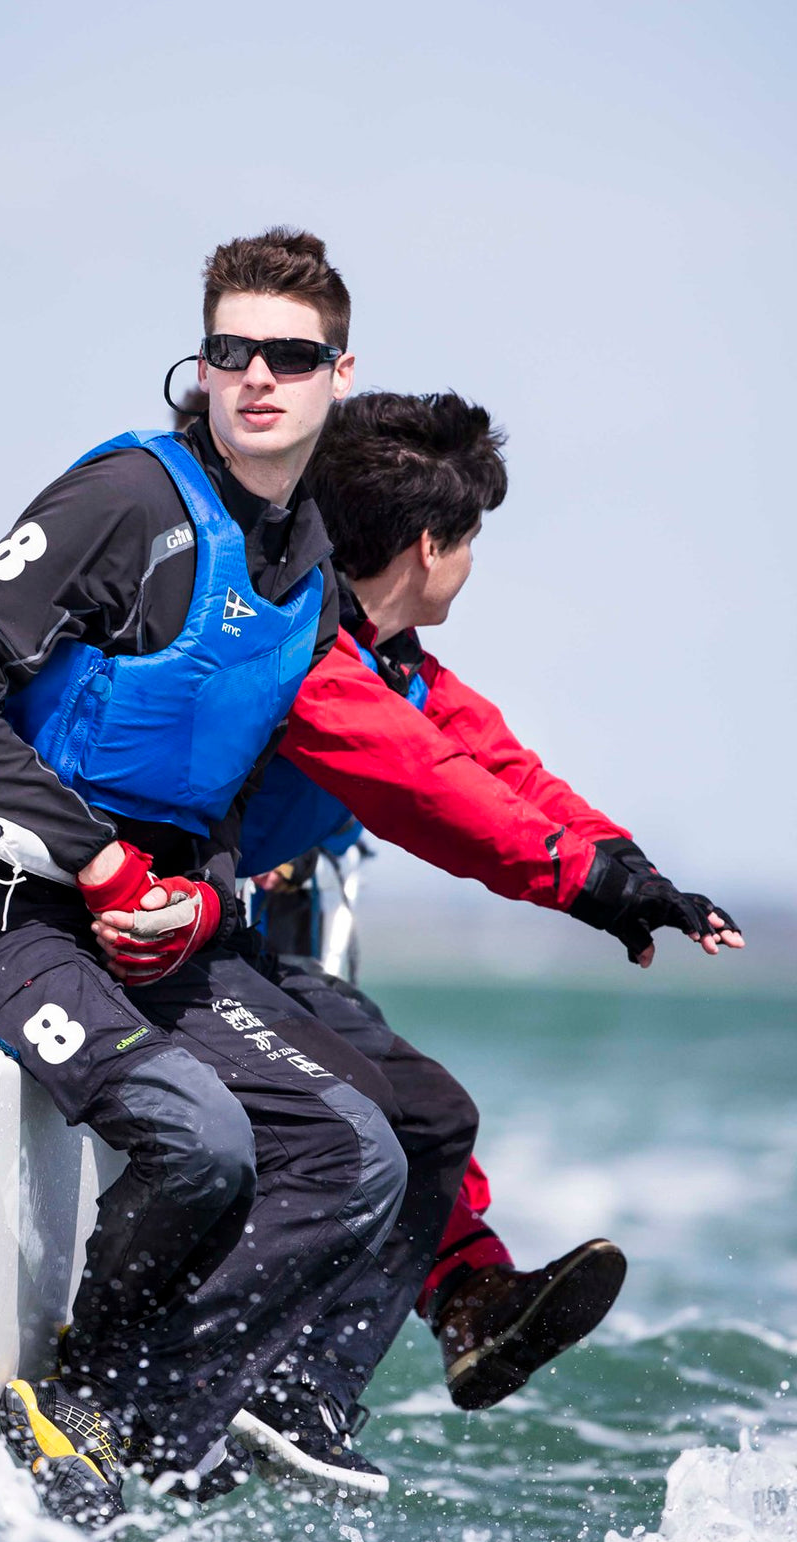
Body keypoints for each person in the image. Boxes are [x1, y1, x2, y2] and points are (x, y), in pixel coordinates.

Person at [0, 233, 480, 1523]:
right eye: (231, 351)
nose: (258, 376)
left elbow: (241, 774)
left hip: (155, 923)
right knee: (199, 1140)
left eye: (291, 355)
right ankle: (88, 1405)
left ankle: (170, 1425)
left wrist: (203, 890)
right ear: (201, 363)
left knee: (360, 1148)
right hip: (8, 910)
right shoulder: (125, 505)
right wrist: (96, 860)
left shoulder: (309, 552)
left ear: (338, 373)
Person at [207, 389, 742, 1468]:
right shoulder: (304, 653)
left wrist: (635, 877)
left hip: (225, 931)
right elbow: (436, 796)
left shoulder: (395, 658)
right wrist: (593, 889)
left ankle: (458, 1310)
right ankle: (272, 1376)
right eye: (469, 542)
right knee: (372, 1112)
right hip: (131, 928)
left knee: (431, 1115)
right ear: (428, 546)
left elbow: (501, 771)